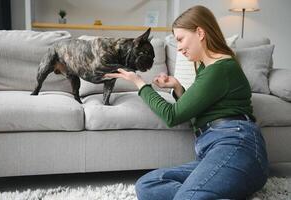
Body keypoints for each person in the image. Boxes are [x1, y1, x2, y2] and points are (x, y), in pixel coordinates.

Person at [104, 5, 268, 200]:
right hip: (214, 151)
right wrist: (178, 88)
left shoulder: (220, 69)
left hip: (237, 146)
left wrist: (139, 83)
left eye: (180, 39)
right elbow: (197, 111)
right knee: (147, 185)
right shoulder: (207, 69)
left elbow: (172, 116)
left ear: (200, 32)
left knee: (188, 196)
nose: (179, 47)